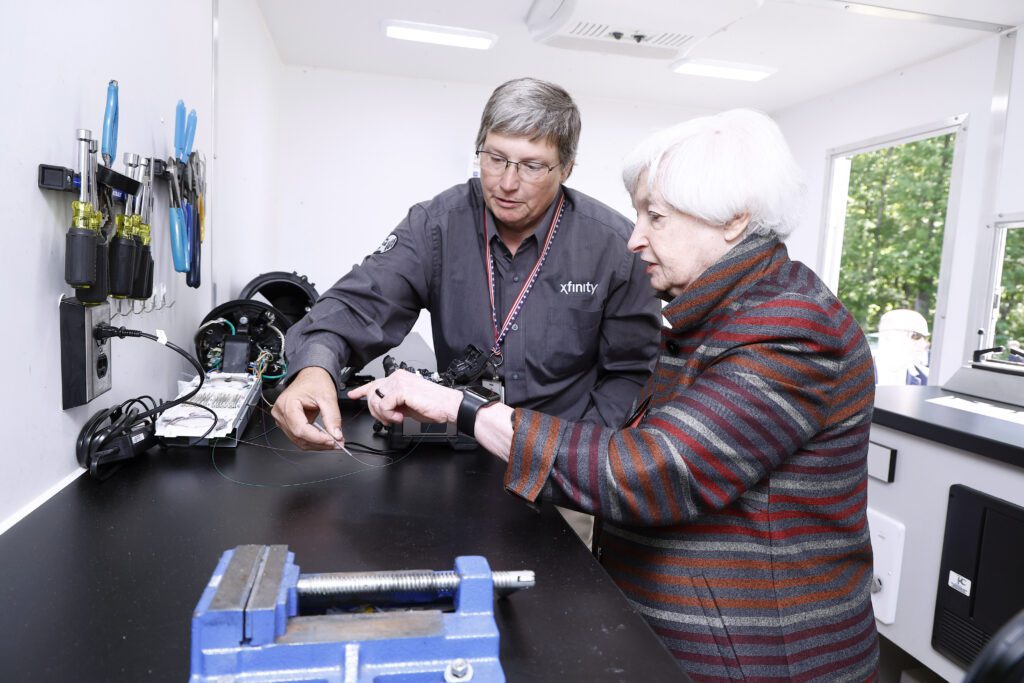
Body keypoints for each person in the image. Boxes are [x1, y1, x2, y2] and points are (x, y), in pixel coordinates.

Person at [352, 109, 881, 681]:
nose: (634, 238)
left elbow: (653, 472)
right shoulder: (721, 312)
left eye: (655, 216)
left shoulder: (792, 327)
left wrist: (463, 409)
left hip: (757, 658)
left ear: (733, 222)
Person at [273, 78, 661, 545]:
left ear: (567, 168)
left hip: (561, 478)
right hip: (461, 464)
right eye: (494, 157)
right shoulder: (437, 224)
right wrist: (315, 366)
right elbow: (361, 300)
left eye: (532, 166)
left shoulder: (616, 247)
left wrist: (570, 455)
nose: (506, 182)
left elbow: (632, 373)